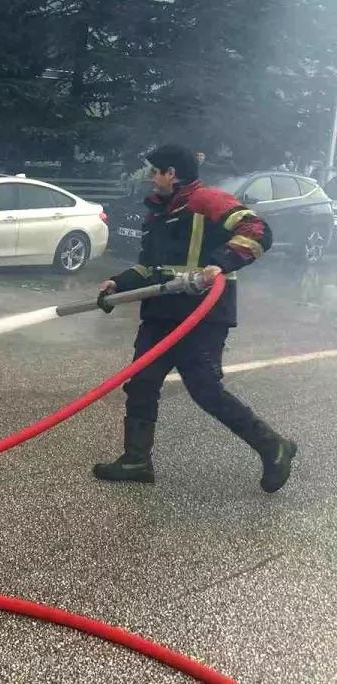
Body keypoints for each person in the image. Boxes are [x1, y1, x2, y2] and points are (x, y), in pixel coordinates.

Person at [94, 144, 296, 492]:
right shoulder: (158, 212)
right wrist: (119, 283)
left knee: (205, 390)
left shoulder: (208, 201)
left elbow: (258, 232)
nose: (150, 179)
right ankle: (136, 460)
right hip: (162, 312)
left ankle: (273, 445)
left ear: (171, 173)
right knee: (141, 382)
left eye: (154, 171)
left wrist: (221, 262)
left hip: (201, 314)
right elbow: (150, 266)